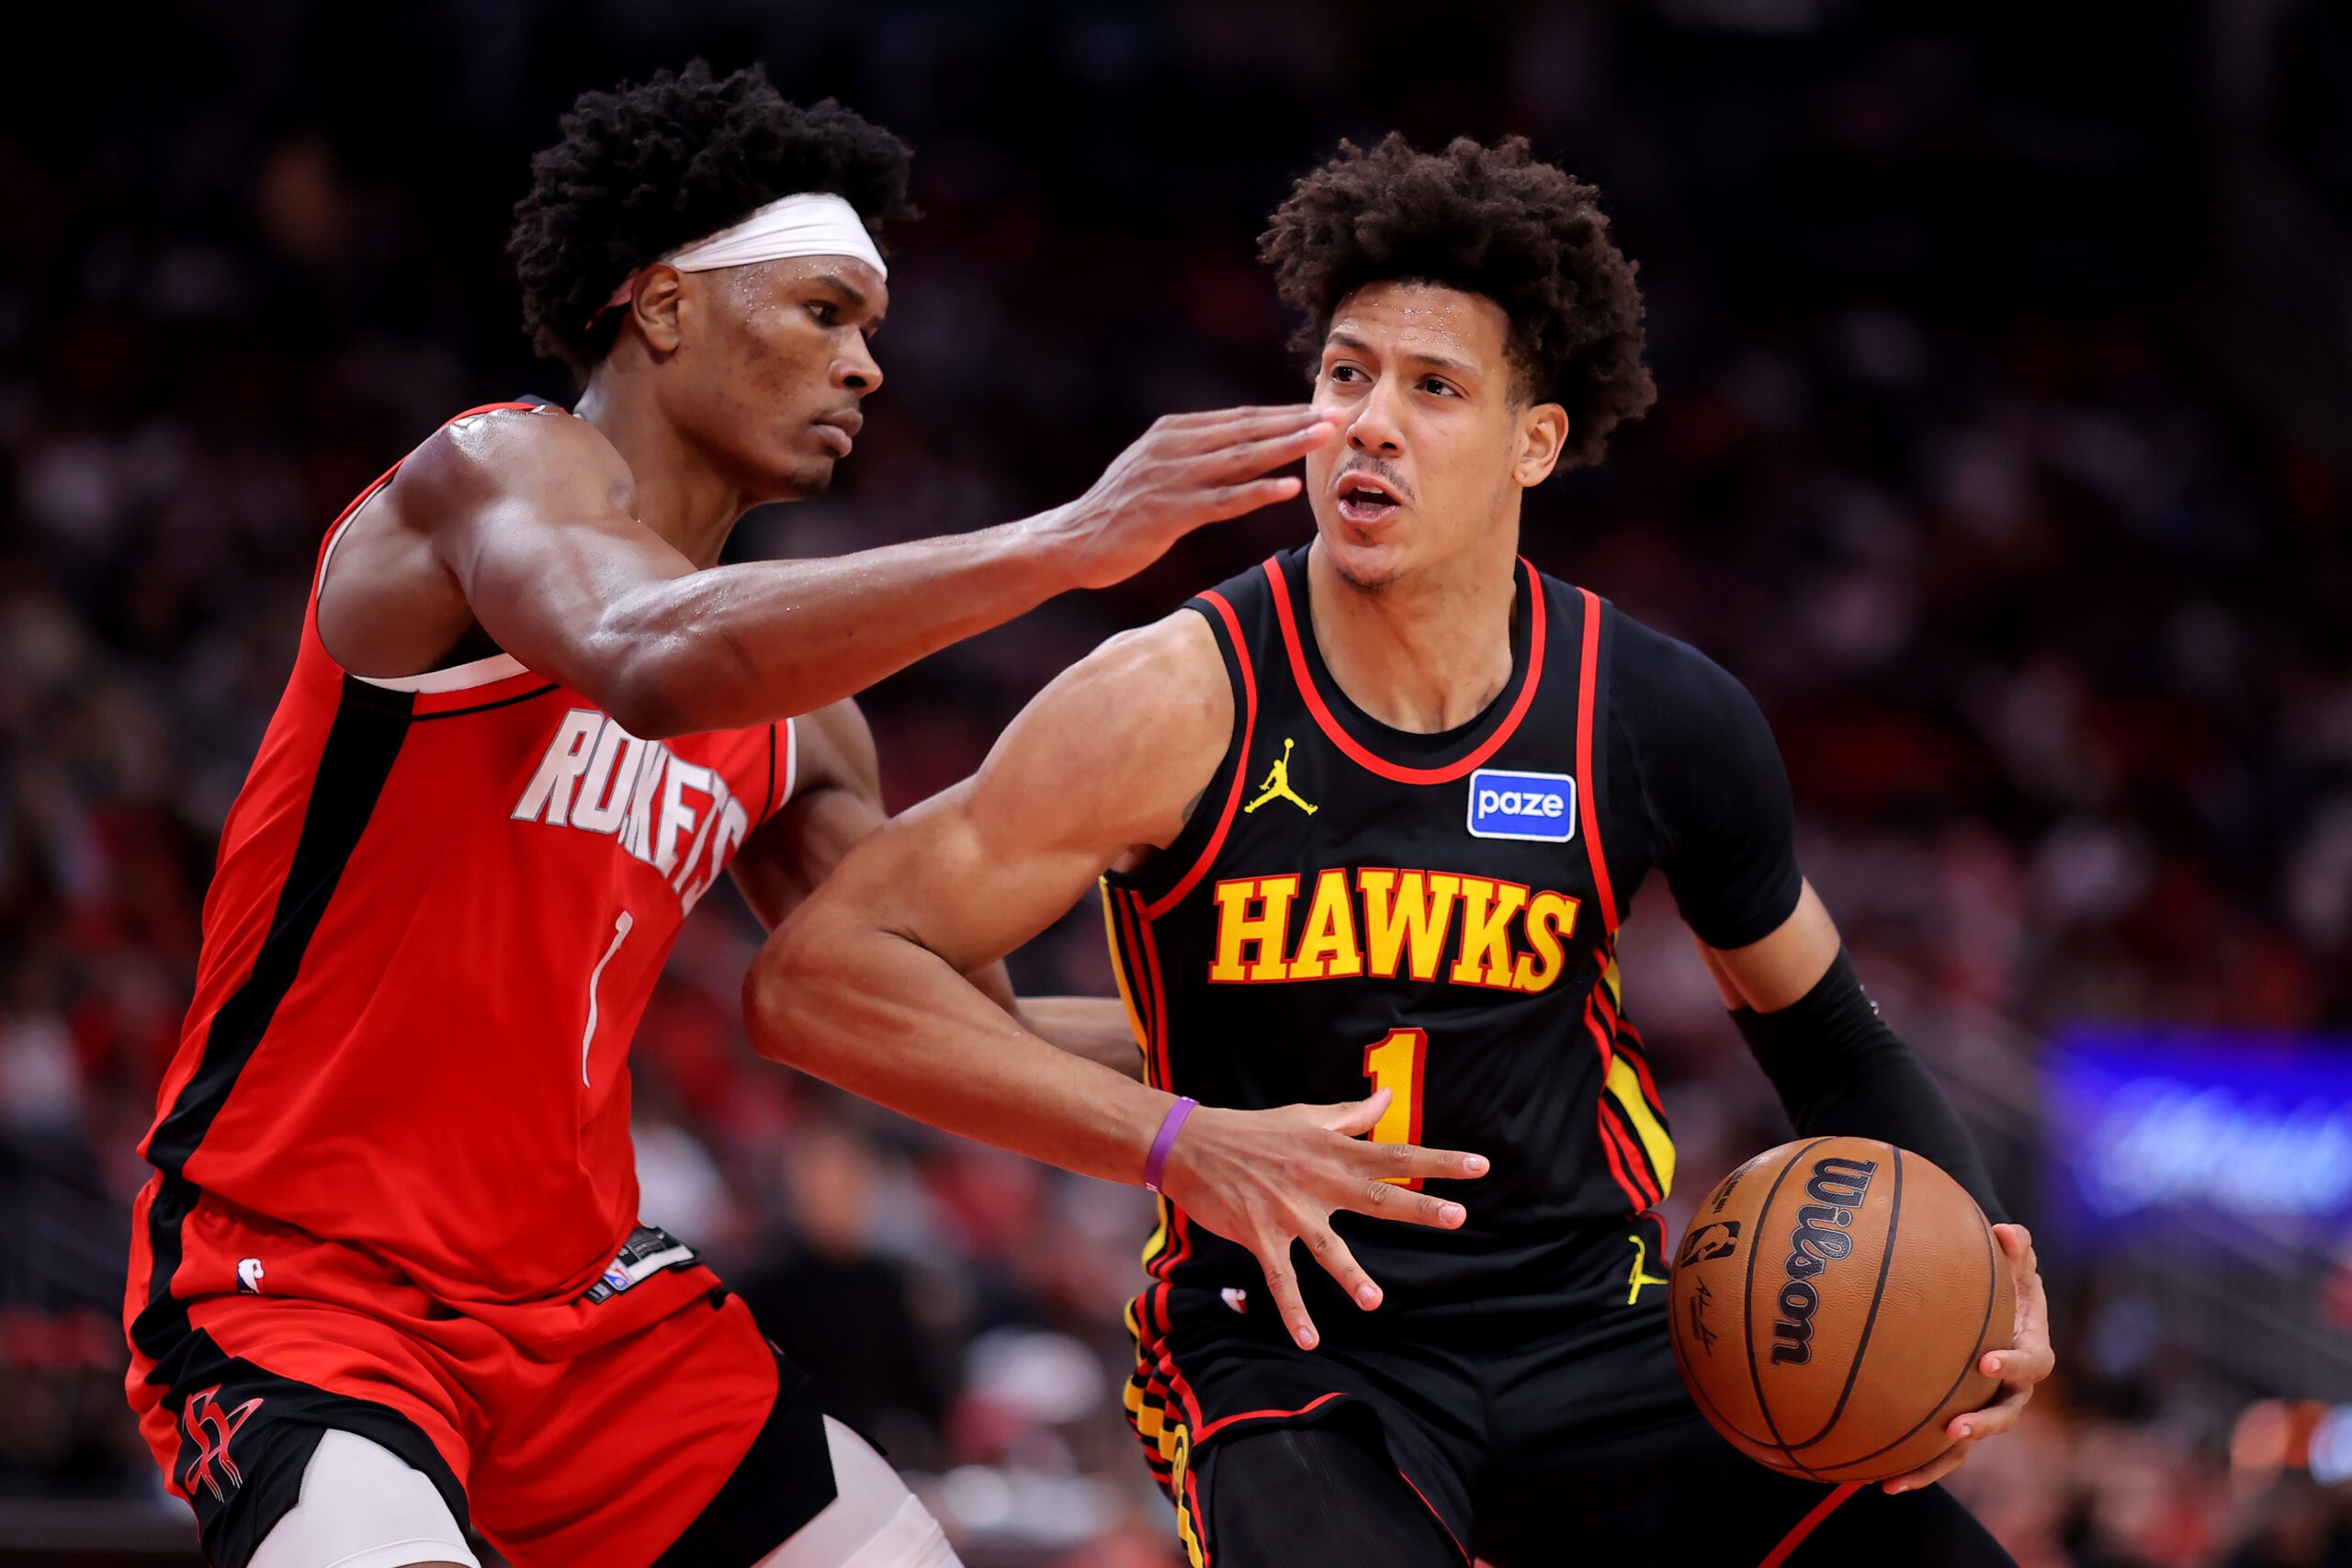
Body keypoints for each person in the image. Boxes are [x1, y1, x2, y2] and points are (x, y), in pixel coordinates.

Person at [121, 61, 1375, 1568]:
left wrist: (1320, 1034)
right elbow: (653, 660)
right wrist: (1069, 541)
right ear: (660, 306)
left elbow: (952, 1025)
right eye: (823, 313)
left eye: (873, 329)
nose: (867, 367)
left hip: (591, 1323)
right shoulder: (488, 474)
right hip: (309, 1287)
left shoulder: (801, 719)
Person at [750, 133, 2055, 1567]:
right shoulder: (1169, 702)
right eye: (1346, 375)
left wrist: (1993, 1276)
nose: (1369, 422)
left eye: (1433, 389)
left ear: (1535, 441)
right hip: (1294, 1355)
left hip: (1598, 1329)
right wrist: (1178, 1142)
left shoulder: (1656, 715)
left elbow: (1830, 1036)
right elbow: (817, 982)